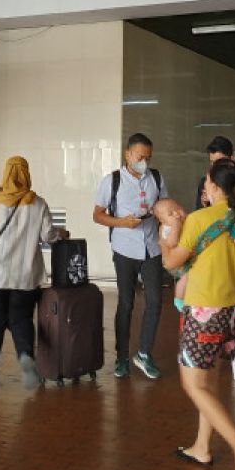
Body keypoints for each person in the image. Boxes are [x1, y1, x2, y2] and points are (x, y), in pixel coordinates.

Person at [161, 158, 235, 470]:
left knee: (193, 385)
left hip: (203, 311)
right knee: (210, 382)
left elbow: (172, 262)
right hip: (233, 312)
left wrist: (163, 239)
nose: (204, 187)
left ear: (216, 187)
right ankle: (201, 447)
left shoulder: (197, 219)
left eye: (207, 182)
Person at [0, 156, 69, 391]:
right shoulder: (38, 204)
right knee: (21, 320)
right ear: (26, 175)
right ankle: (26, 356)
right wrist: (62, 234)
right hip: (25, 278)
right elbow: (48, 236)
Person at [92, 133, 168, 380]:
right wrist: (122, 223)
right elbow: (98, 214)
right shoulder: (112, 181)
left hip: (152, 248)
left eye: (148, 157)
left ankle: (144, 353)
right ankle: (122, 357)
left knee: (155, 301)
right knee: (126, 303)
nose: (143, 162)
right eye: (139, 157)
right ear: (127, 155)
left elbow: (163, 207)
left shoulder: (155, 178)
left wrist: (163, 216)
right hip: (124, 248)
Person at [193, 135, 235, 381]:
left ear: (232, 159)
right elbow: (197, 221)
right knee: (207, 310)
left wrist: (228, 208)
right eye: (212, 162)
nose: (215, 168)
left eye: (220, 161)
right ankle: (210, 354)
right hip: (209, 260)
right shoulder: (205, 182)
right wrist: (205, 205)